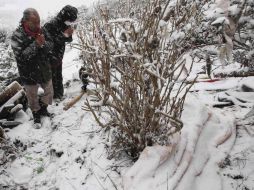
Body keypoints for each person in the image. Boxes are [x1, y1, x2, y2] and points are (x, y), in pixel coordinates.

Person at [11, 8, 54, 128]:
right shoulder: (17, 36)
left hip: (44, 69)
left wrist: (44, 44)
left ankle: (44, 108)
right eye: (34, 22)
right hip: (28, 72)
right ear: (26, 21)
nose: (38, 25)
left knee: (49, 92)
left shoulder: (42, 30)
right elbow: (21, 57)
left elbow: (51, 45)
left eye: (39, 21)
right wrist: (36, 44)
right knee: (32, 96)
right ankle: (35, 113)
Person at [43, 5, 78, 100]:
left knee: (58, 75)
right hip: (50, 56)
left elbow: (69, 39)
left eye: (71, 21)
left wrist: (69, 34)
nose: (70, 23)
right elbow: (48, 42)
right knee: (52, 78)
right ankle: (53, 97)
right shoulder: (50, 25)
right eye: (69, 20)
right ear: (65, 16)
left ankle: (59, 94)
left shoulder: (65, 24)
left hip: (59, 55)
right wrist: (64, 35)